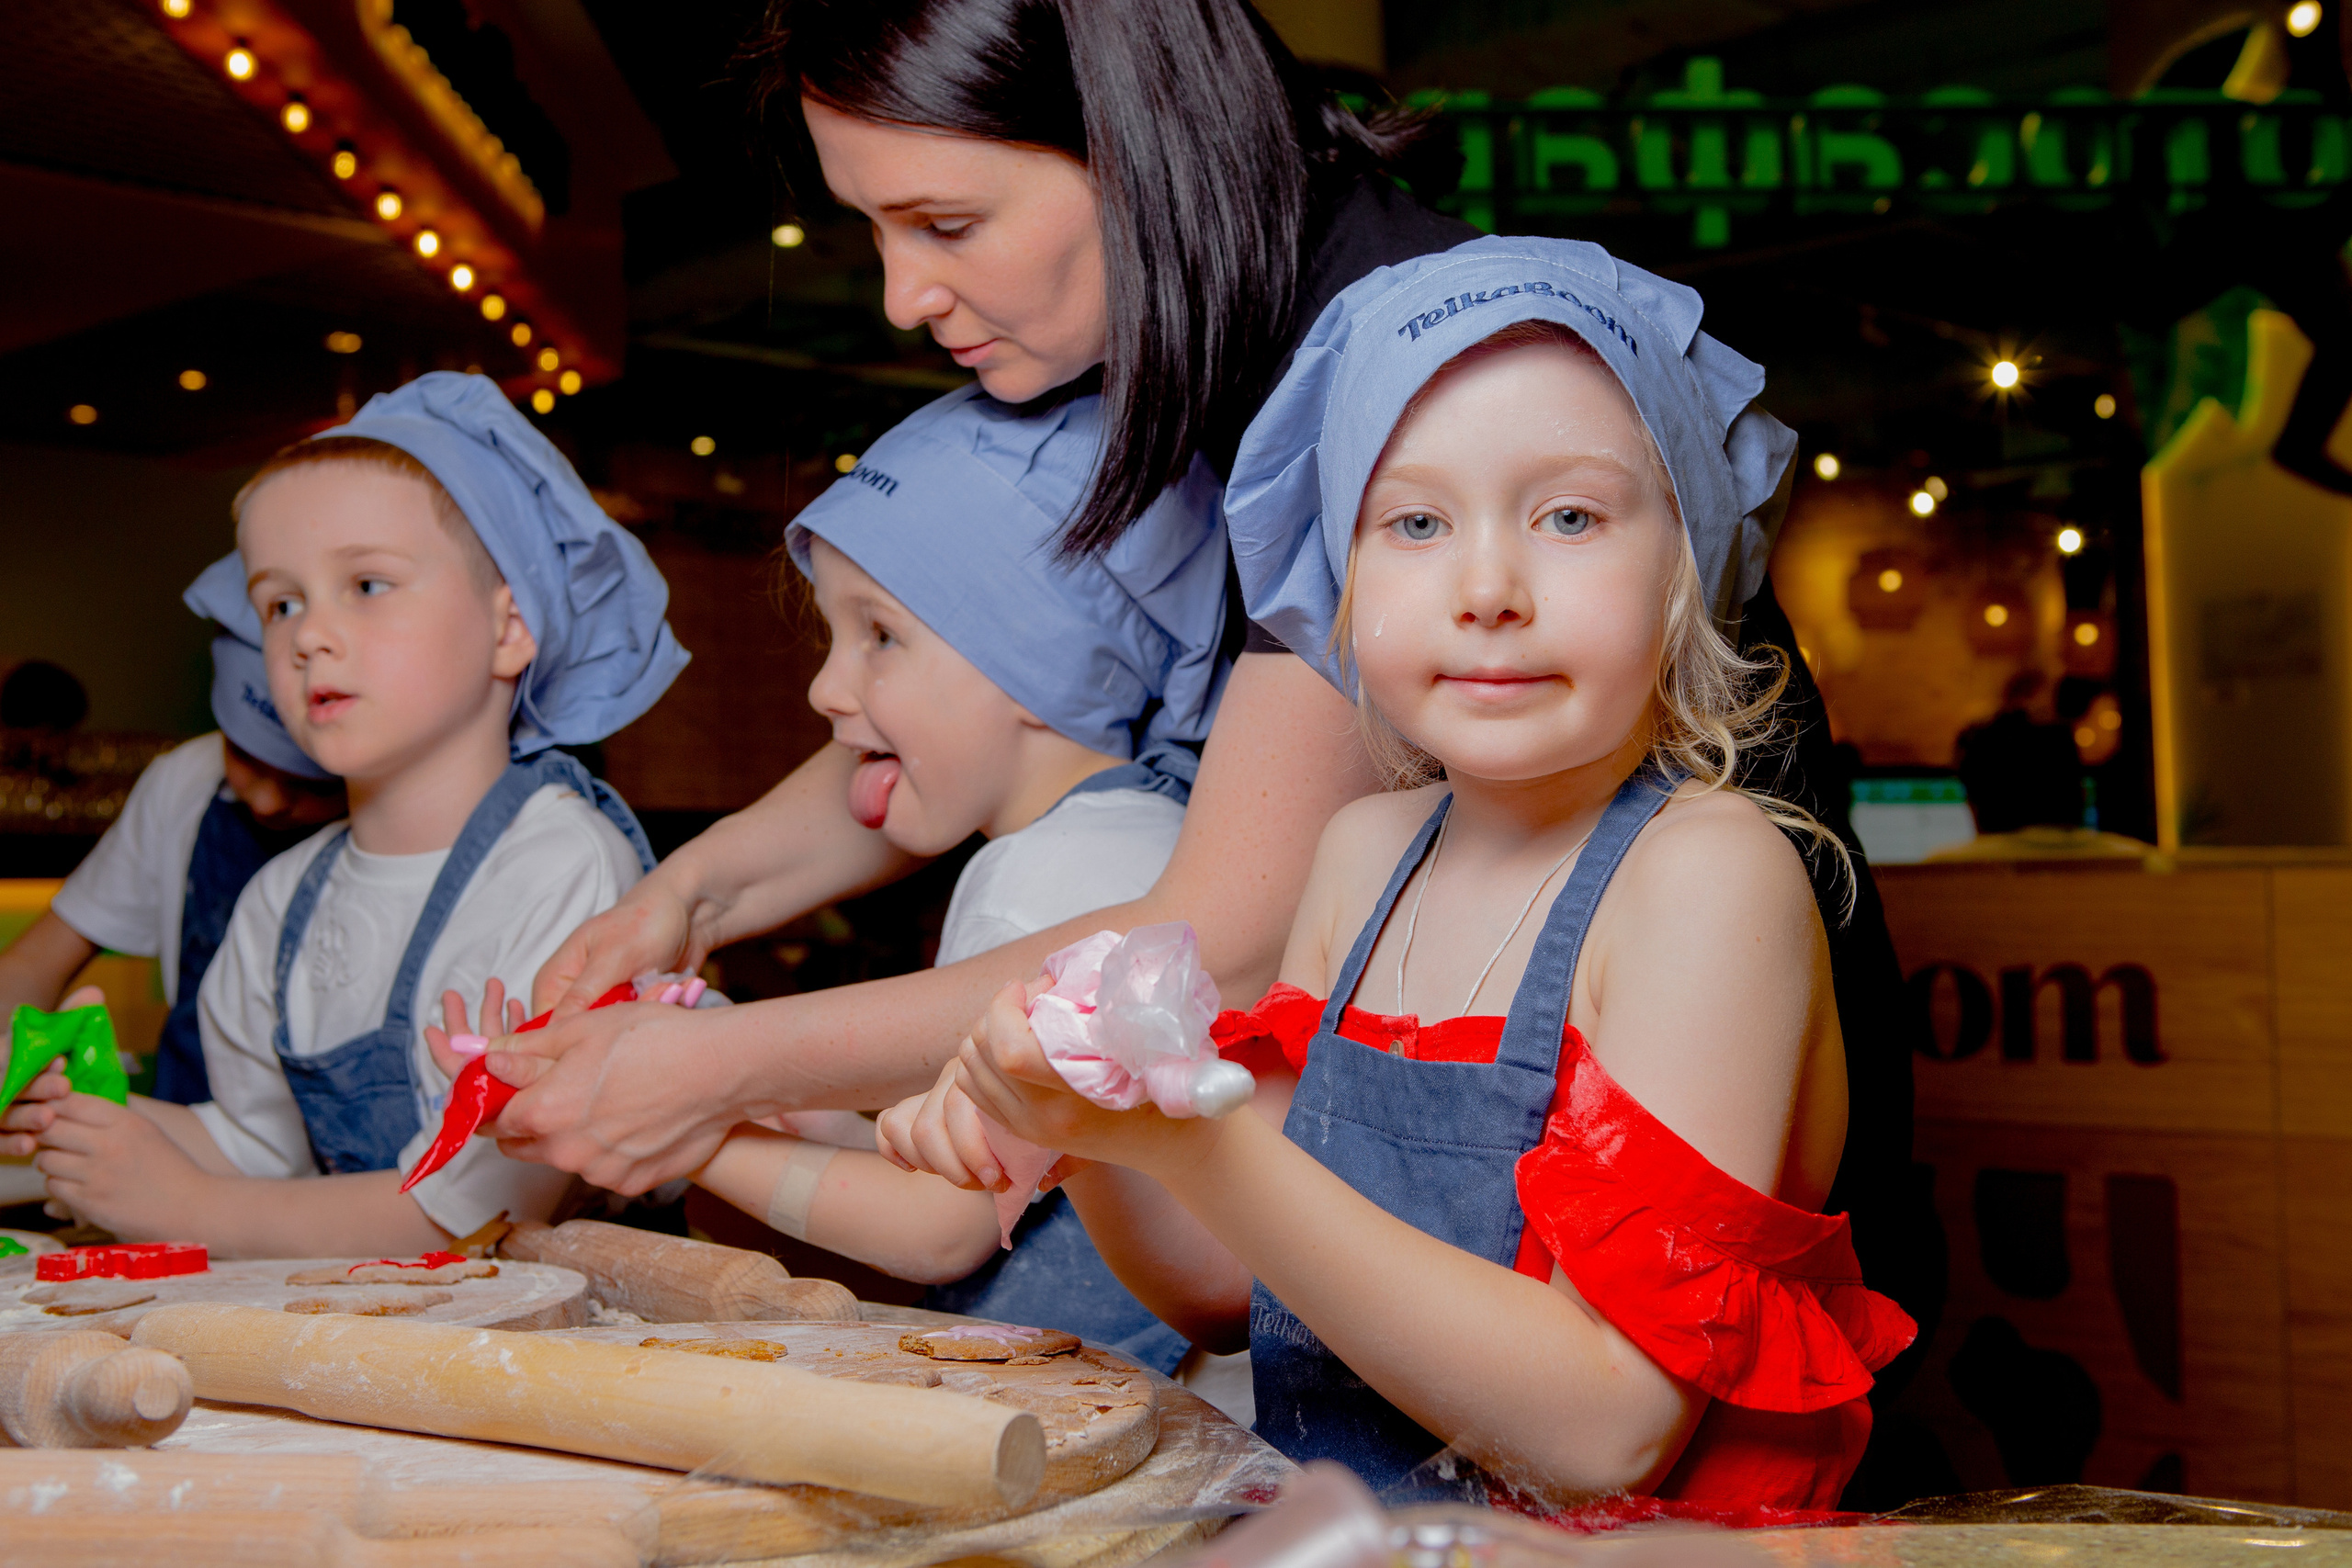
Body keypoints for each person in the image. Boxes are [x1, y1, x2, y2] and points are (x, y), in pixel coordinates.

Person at [480, 1, 1931, 1403]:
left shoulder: (1378, 351)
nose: (901, 296)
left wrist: (712, 1070)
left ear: (1129, 141)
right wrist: (691, 895)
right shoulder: (1169, 340)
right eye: (875, 228)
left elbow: (1218, 934)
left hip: (1673, 1224)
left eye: (946, 224)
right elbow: (995, 685)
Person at [882, 240, 1916, 1506]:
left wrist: (1197, 1143)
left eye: (1572, 517)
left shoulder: (1708, 877)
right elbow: (1231, 1285)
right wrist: (1085, 1125)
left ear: (1687, 566)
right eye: (1415, 522)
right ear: (1343, 578)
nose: (1487, 589)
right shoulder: (1365, 855)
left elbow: (1608, 1429)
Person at [594, 384, 1224, 1370]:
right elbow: (976, 1162)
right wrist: (781, 1110)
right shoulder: (1131, 837)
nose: (825, 688)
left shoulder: (1044, 881)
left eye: (880, 636)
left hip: (1121, 1404)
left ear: (1038, 662)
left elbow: (942, 1228)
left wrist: (684, 1131)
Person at [0, 373, 686, 1258]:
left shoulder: (564, 865)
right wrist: (95, 1122)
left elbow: (484, 1211)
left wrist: (185, 1207)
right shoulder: (282, 897)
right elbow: (258, 1150)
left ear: (509, 627)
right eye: (280, 603)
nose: (307, 635)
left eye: (366, 583)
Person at [0, 570, 348, 1104]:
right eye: (243, 756)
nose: (266, 802)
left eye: (311, 782)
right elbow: (37, 962)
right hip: (181, 1118)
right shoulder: (184, 779)